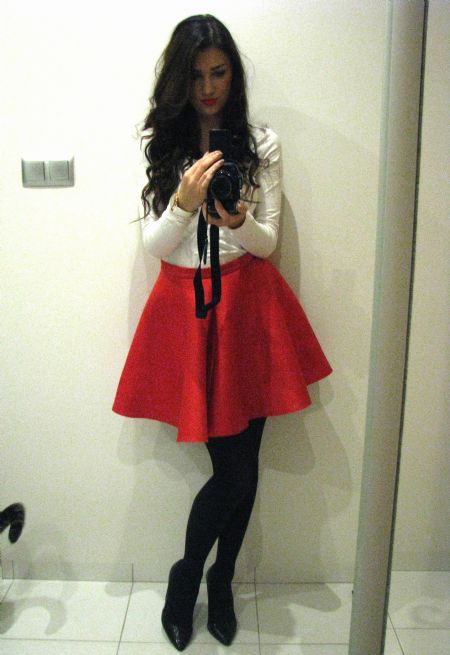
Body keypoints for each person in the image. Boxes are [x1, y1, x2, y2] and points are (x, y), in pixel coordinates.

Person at [113, 14, 332, 651]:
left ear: (233, 75)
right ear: (178, 80)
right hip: (187, 311)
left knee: (244, 465)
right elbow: (156, 245)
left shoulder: (260, 143)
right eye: (196, 75)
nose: (208, 88)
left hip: (250, 307)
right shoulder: (163, 143)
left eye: (219, 73)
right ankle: (188, 579)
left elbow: (267, 244)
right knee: (233, 472)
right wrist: (184, 202)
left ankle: (221, 580)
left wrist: (236, 221)